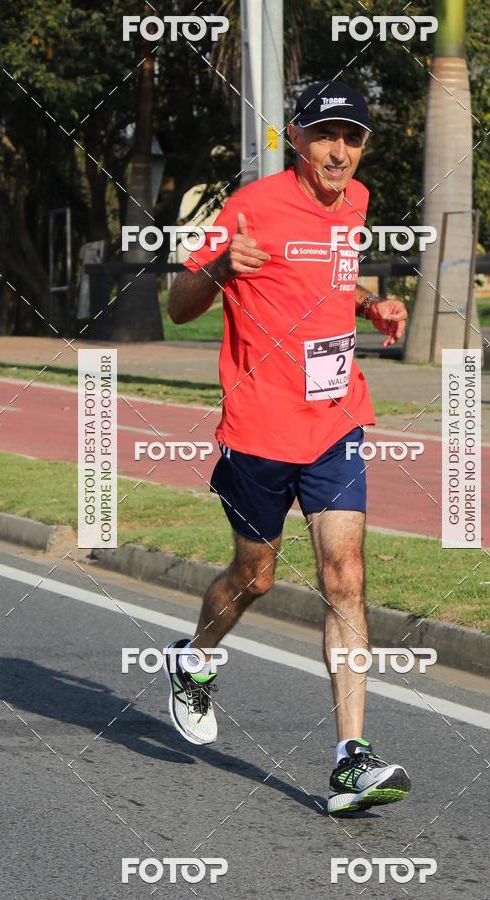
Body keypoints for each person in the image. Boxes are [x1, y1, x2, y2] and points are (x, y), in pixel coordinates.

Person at [164, 81, 410, 814]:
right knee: (257, 576)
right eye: (327, 135)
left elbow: (329, 274)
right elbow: (178, 308)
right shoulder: (251, 207)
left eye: (354, 137)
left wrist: (371, 304)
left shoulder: (357, 202)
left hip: (334, 419)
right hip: (258, 428)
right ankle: (195, 659)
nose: (340, 151)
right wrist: (217, 269)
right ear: (296, 138)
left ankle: (350, 759)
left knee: (345, 574)